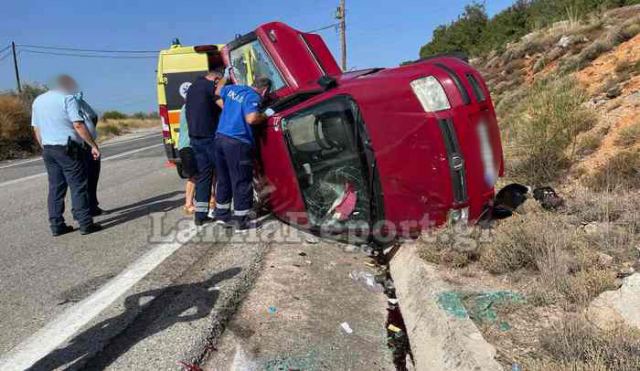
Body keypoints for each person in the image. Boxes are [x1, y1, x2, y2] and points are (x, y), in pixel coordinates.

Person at [31, 75, 102, 236]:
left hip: (49, 149)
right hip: (68, 148)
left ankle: (57, 225)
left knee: (56, 187)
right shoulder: (67, 99)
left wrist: (44, 146)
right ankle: (85, 223)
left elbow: (36, 128)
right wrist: (92, 145)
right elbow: (78, 124)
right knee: (78, 185)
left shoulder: (38, 101)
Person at [213, 75, 272, 230]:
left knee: (224, 178)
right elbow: (252, 119)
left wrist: (225, 76)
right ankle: (242, 220)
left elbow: (218, 91)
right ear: (264, 90)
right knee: (241, 180)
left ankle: (222, 215)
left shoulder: (233, 89)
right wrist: (266, 114)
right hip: (237, 142)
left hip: (220, 138)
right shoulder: (253, 96)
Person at [185, 70, 223, 225]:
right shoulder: (209, 86)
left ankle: (200, 216)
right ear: (215, 79)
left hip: (195, 139)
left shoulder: (193, 87)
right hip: (209, 138)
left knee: (204, 178)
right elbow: (224, 105)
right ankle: (222, 212)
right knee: (222, 174)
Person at [73, 89, 103, 216]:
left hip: (89, 144)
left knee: (92, 176)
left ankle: (92, 206)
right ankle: (81, 210)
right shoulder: (65, 103)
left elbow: (94, 116)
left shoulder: (80, 102)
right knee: (81, 180)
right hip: (79, 145)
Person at [177, 104, 197, 214]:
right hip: (187, 145)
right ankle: (188, 204)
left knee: (199, 175)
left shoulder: (189, 105)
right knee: (193, 176)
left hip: (192, 145)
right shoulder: (189, 106)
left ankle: (209, 199)